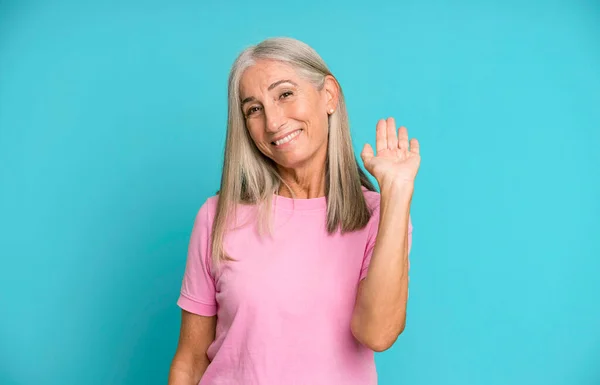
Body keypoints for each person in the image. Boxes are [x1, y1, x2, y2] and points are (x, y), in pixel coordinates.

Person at [168, 36, 420, 385]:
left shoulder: (379, 216)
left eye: (284, 94)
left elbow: (377, 334)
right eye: (253, 109)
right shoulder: (217, 216)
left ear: (328, 95)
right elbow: (190, 361)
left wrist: (397, 192)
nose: (272, 122)